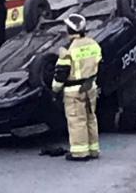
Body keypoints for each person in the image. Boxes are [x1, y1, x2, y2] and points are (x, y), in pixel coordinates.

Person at [52, 14, 102, 161]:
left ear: (69, 30)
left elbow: (61, 73)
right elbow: (99, 65)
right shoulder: (93, 44)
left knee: (77, 120)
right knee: (91, 118)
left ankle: (80, 152)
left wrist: (55, 90)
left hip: (73, 91)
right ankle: (93, 149)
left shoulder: (67, 49)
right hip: (90, 87)